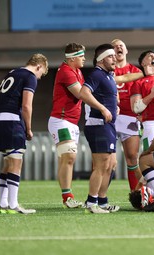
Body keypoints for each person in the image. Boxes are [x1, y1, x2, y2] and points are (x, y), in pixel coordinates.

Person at [80, 43, 154, 213]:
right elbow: (84, 93)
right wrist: (103, 108)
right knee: (101, 165)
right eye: (110, 56)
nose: (114, 58)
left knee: (111, 164)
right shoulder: (97, 74)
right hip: (99, 124)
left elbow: (121, 83)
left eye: (115, 55)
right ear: (100, 59)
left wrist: (114, 106)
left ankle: (102, 201)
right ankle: (92, 203)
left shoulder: (108, 75)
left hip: (108, 125)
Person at [0, 53, 48, 214]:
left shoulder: (12, 72)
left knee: (8, 162)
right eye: (41, 74)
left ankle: (3, 204)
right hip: (11, 120)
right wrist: (28, 128)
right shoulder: (29, 76)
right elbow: (26, 105)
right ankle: (13, 204)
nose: (38, 78)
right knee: (16, 162)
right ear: (38, 66)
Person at [48, 43, 86, 209]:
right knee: (69, 157)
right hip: (61, 120)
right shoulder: (66, 71)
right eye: (81, 55)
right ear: (72, 59)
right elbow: (81, 93)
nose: (84, 58)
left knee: (68, 158)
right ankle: (67, 197)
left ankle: (67, 196)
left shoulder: (77, 71)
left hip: (71, 122)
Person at [111, 39, 143, 191]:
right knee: (104, 160)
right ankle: (97, 197)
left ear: (126, 50)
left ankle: (135, 194)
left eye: (121, 45)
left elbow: (143, 93)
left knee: (132, 157)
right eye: (115, 46)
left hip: (130, 117)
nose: (118, 47)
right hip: (110, 117)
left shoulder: (136, 72)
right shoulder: (106, 71)